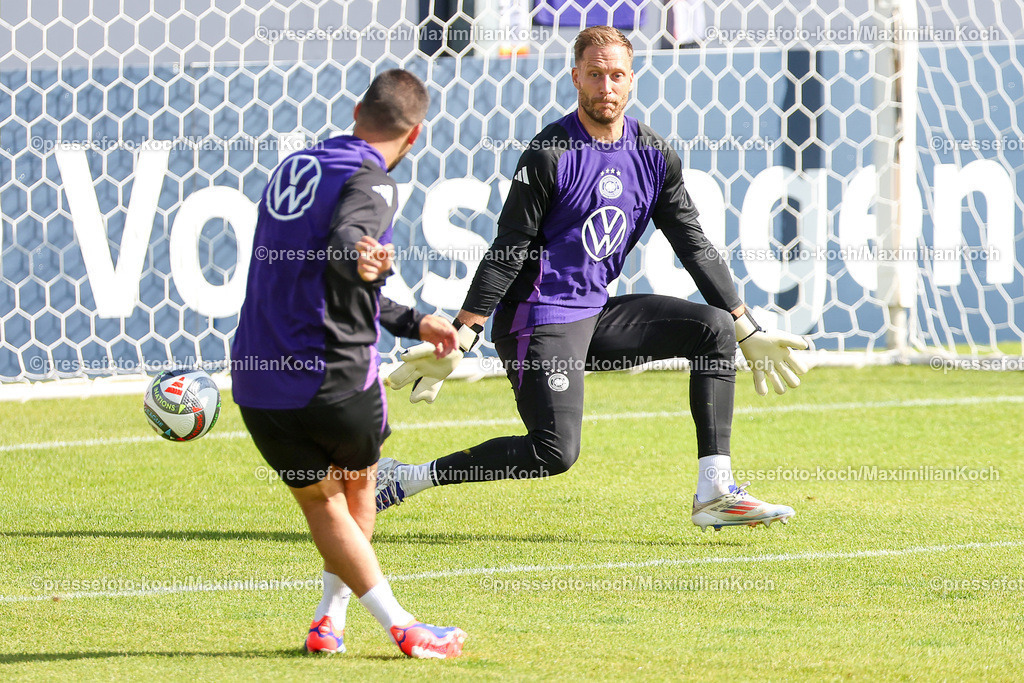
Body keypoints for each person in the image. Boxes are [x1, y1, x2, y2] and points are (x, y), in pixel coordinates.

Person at [378, 26, 810, 531]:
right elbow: (509, 247)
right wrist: (464, 332)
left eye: (617, 75)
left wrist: (746, 326)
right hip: (537, 320)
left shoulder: (652, 153)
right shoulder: (550, 152)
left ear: (632, 80)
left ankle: (714, 491)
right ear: (576, 77)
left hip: (593, 313)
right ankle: (403, 478)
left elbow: (692, 241)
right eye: (596, 75)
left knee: (713, 329)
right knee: (554, 452)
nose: (607, 87)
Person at [231, 69, 467, 659]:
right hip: (329, 374)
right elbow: (345, 251)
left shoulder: (294, 166)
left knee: (319, 501)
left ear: (357, 109)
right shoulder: (375, 183)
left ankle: (326, 622)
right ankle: (402, 624)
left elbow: (317, 267)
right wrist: (376, 268)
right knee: (359, 490)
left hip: (257, 378)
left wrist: (413, 321)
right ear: (413, 137)